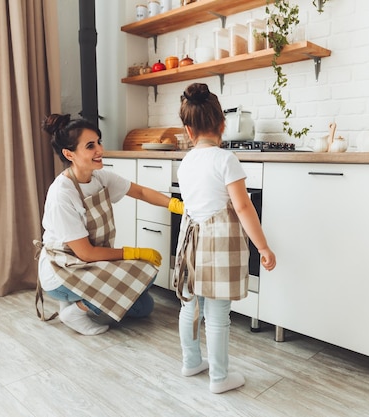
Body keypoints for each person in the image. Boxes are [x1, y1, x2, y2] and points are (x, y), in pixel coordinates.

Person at [36, 113, 184, 336]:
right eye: (90, 146)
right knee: (145, 272)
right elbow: (85, 253)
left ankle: (79, 300)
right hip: (62, 269)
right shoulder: (61, 195)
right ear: (69, 154)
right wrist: (133, 252)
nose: (100, 150)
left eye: (98, 141)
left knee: (145, 307)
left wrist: (175, 205)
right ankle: (75, 310)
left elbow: (141, 192)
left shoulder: (100, 178)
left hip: (90, 263)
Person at [173, 83, 276, 394]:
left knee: (189, 306)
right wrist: (263, 247)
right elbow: (243, 207)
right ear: (223, 124)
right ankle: (219, 378)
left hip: (190, 240)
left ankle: (191, 362)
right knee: (218, 314)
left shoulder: (186, 162)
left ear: (188, 131)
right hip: (219, 245)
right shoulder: (225, 159)